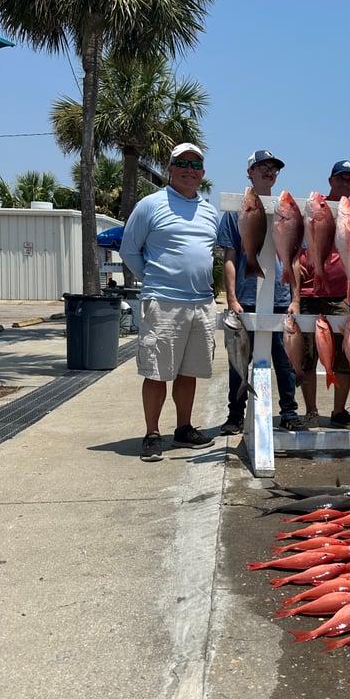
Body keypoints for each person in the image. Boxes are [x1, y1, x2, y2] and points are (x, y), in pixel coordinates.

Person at [120, 143, 219, 462]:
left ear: (202, 174)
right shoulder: (150, 205)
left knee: (188, 371)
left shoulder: (209, 210)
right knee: (157, 371)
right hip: (163, 302)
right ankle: (151, 433)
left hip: (202, 303)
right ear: (170, 168)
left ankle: (184, 427)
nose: (189, 169)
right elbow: (129, 251)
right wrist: (154, 280)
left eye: (195, 165)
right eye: (182, 163)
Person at [217, 149, 307, 434]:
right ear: (250, 172)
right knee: (239, 361)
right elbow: (229, 257)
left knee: (285, 363)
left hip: (281, 300)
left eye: (273, 168)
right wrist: (231, 297)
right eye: (262, 167)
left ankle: (289, 412)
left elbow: (294, 260)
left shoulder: (287, 210)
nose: (269, 172)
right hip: (245, 298)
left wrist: (296, 299)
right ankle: (235, 414)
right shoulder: (236, 210)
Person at [298, 159, 350, 430]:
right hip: (308, 292)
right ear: (330, 180)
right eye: (340, 178)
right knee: (307, 357)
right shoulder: (314, 207)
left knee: (345, 356)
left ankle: (338, 412)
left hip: (341, 294)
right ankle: (311, 411)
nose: (344, 183)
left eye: (349, 179)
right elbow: (293, 240)